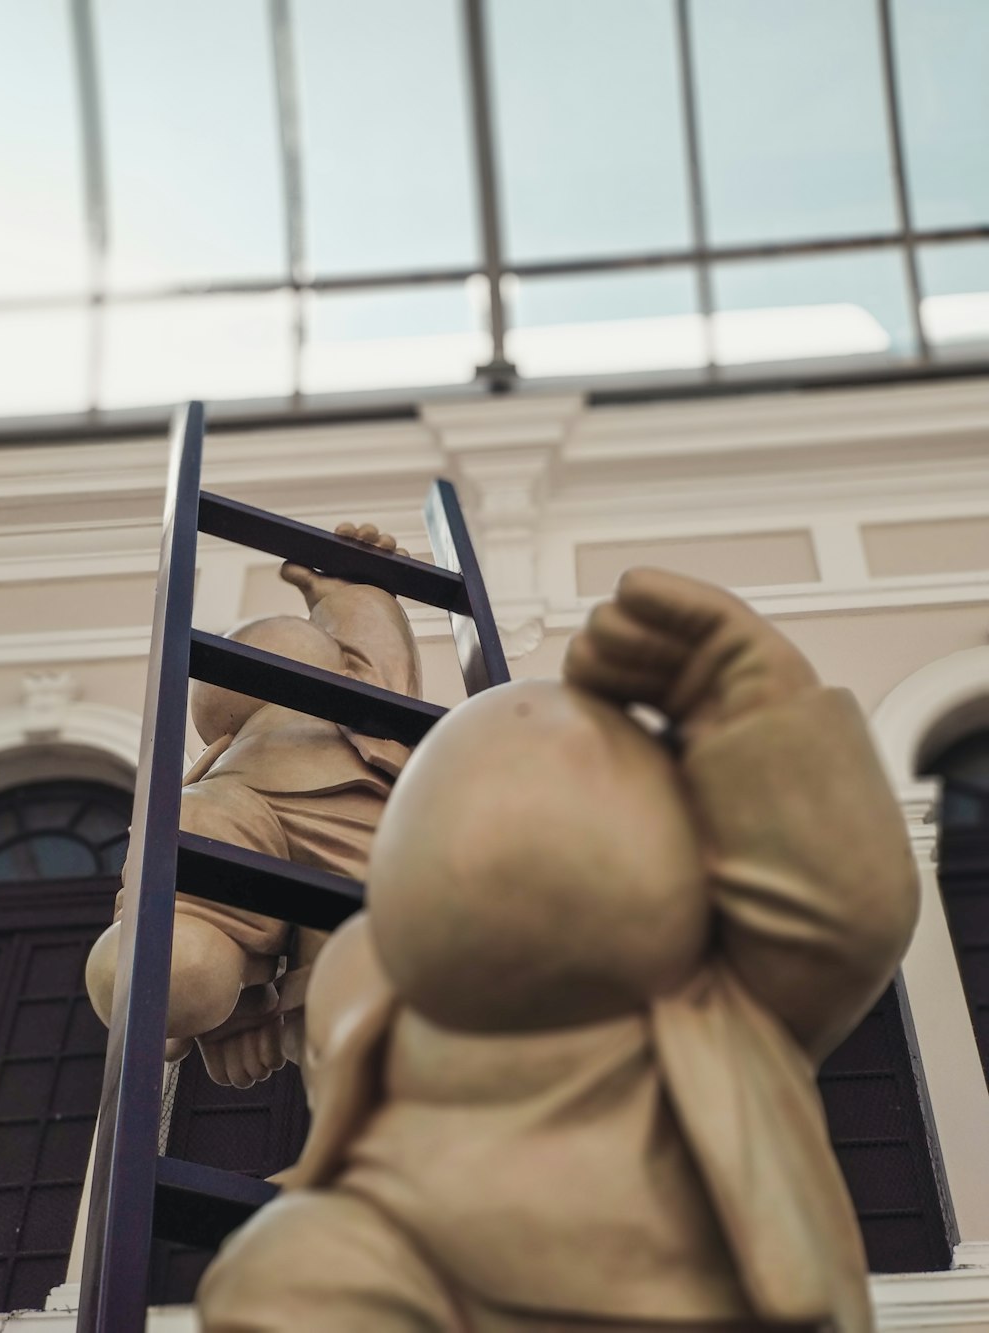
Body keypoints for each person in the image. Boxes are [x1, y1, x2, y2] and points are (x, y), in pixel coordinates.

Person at [198, 565, 919, 1332]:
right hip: (429, 1269)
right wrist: (235, 990)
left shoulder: (719, 1010)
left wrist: (759, 703)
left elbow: (840, 910)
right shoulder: (373, 995)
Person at [86, 524, 421, 1089]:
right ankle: (226, 994)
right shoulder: (225, 766)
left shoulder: (348, 704)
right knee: (171, 948)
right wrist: (356, 593)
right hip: (305, 827)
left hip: (347, 840)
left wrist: (352, 591)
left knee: (363, 991)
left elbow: (376, 655)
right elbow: (380, 658)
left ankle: (245, 995)